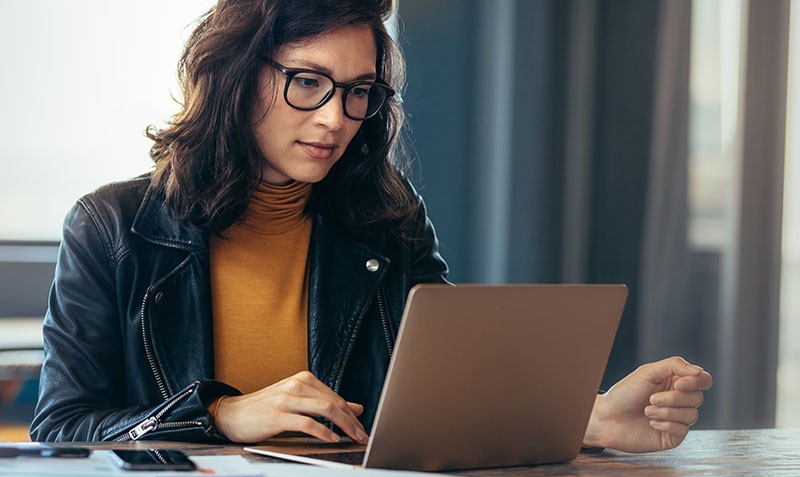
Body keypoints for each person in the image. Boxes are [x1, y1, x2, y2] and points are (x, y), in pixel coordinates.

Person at [30, 0, 712, 452]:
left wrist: (587, 418)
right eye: (307, 82)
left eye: (359, 91)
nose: (335, 117)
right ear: (235, 75)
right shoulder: (113, 226)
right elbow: (61, 429)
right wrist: (218, 416)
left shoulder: (386, 216)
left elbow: (449, 393)